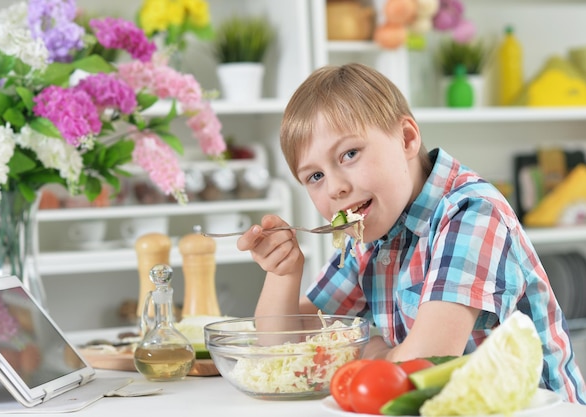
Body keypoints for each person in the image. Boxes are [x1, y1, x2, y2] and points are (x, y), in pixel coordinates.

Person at [236, 63, 586, 403]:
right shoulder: (370, 230)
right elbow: (278, 348)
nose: (335, 189)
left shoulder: (472, 213)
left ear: (406, 139)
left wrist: (368, 349)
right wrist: (283, 273)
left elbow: (419, 366)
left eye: (349, 154)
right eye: (315, 177)